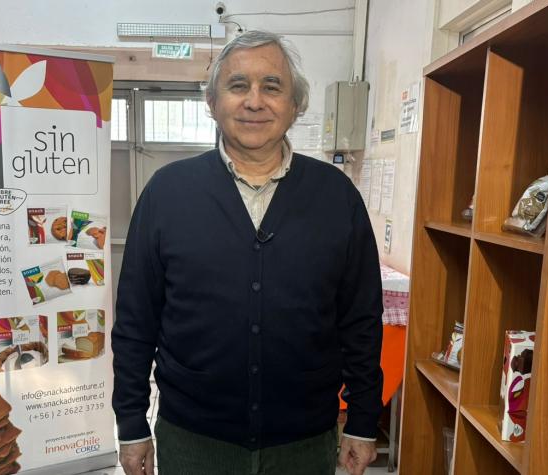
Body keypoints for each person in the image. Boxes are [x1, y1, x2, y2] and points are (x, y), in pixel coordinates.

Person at [113, 30, 384, 475]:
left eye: (272, 87)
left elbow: (361, 320)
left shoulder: (337, 197)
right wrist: (131, 423)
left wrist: (363, 420)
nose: (254, 101)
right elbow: (135, 319)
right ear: (212, 101)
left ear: (295, 105)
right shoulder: (167, 193)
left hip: (304, 442)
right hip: (194, 440)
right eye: (238, 85)